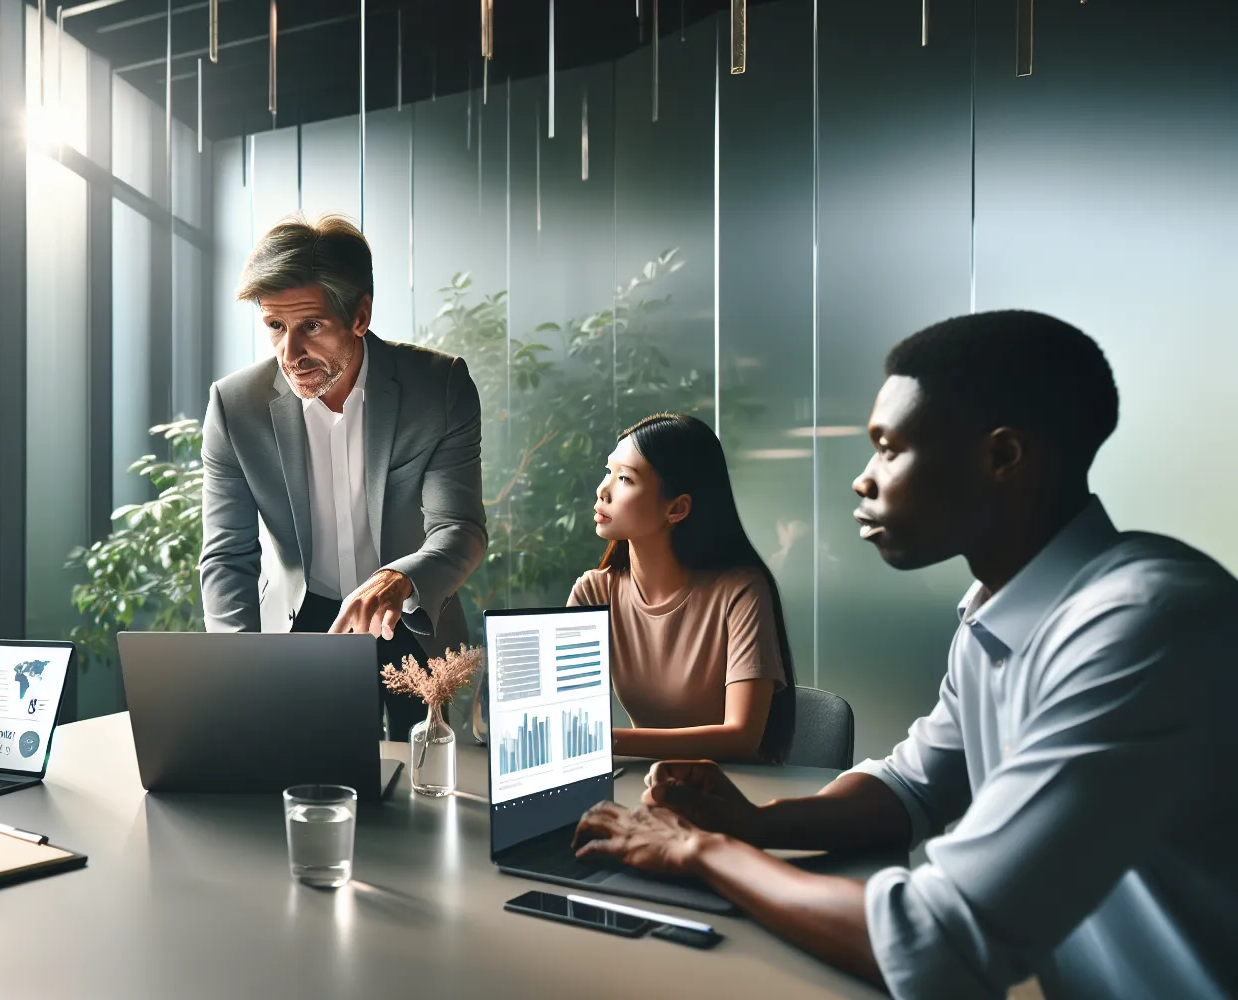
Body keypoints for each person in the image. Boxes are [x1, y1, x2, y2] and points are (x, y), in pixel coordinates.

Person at [571, 312, 1237, 999]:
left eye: (888, 449)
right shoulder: (1000, 613)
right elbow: (910, 787)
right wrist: (756, 823)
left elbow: (935, 940)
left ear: (1002, 457)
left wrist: (701, 850)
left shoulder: (1143, 628)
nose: (863, 480)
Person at [200, 214, 488, 739]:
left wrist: (397, 580)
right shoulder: (233, 406)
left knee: (431, 796)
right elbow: (227, 556)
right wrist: (233, 671)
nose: (290, 354)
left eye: (310, 326)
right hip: (300, 626)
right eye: (274, 326)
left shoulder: (438, 388)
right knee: (304, 790)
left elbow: (460, 529)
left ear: (360, 316)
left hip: (413, 626)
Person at [568, 413, 794, 762]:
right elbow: (562, 715)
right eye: (608, 471)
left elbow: (741, 737)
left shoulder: (741, 590)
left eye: (625, 478)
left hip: (734, 793)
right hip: (643, 786)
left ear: (677, 508)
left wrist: (604, 742)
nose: (603, 489)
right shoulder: (594, 593)